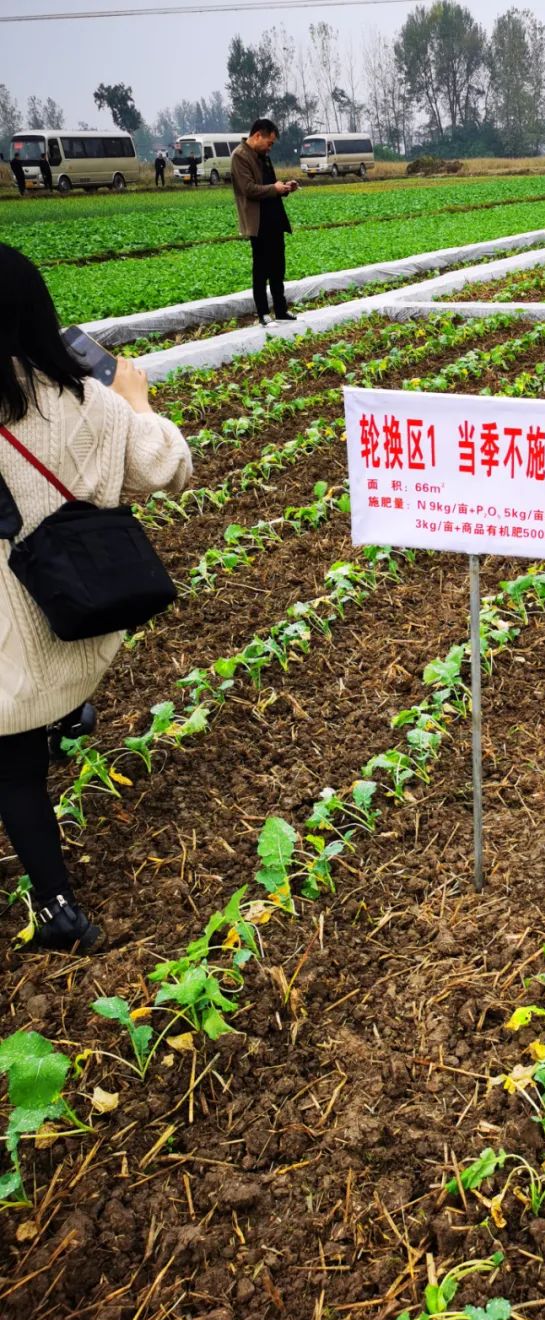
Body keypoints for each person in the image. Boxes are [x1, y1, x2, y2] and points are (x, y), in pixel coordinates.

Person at [0, 244, 192, 951]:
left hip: (11, 645)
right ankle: (66, 718)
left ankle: (58, 911)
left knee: (14, 775)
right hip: (67, 615)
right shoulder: (81, 399)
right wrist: (135, 400)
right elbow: (168, 467)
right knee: (34, 723)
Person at [231, 119, 299, 327]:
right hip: (258, 221)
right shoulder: (240, 156)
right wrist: (275, 189)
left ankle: (280, 310)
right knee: (261, 268)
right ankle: (262, 313)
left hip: (274, 217)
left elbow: (270, 186)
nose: (270, 147)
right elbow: (249, 189)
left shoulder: (264, 157)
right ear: (258, 135)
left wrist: (285, 188)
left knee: (278, 266)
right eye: (269, 142)